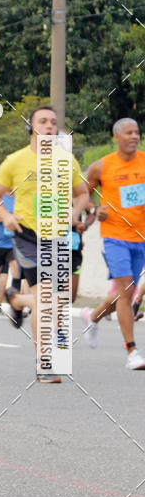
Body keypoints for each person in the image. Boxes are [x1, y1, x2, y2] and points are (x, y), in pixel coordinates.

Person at [0, 105, 89, 383]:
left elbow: (82, 194)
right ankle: (44, 362)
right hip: (27, 236)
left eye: (53, 123)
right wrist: (6, 216)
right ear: (31, 127)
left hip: (58, 237)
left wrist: (74, 212)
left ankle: (17, 300)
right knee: (46, 298)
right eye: (42, 121)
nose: (48, 126)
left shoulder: (66, 161)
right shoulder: (15, 161)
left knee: (58, 300)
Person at [82, 118, 145, 369]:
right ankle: (132, 352)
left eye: (137, 132)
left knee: (125, 292)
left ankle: (93, 316)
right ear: (116, 137)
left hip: (140, 238)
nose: (134, 136)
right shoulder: (101, 166)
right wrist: (95, 208)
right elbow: (82, 195)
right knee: (127, 291)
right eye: (128, 133)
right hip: (115, 237)